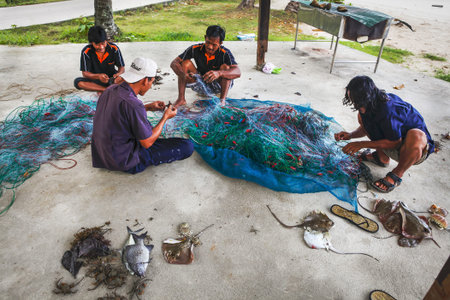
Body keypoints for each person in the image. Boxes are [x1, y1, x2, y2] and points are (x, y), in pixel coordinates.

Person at [91, 57, 194, 174]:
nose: (150, 85)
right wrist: (165, 117)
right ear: (145, 80)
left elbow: (121, 114)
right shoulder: (134, 104)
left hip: (102, 155)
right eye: (151, 81)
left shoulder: (110, 90)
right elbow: (147, 142)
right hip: (124, 160)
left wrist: (148, 107)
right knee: (187, 146)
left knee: (145, 130)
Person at [334, 75, 435, 193]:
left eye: (356, 100)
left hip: (411, 151)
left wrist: (361, 144)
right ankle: (381, 158)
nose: (354, 103)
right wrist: (350, 135)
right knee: (363, 118)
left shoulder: (388, 110)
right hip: (393, 141)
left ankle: (396, 175)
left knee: (416, 135)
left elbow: (394, 142)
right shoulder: (367, 105)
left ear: (365, 97)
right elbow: (365, 128)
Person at [170, 25, 241, 107]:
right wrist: (183, 75)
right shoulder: (194, 49)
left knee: (226, 68)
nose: (210, 47)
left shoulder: (225, 53)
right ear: (205, 37)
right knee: (185, 63)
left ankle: (222, 101)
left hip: (219, 86)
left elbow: (238, 72)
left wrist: (219, 73)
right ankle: (181, 99)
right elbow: (174, 63)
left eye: (214, 45)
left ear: (220, 43)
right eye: (208, 42)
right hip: (201, 82)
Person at [74, 26, 125, 94]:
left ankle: (107, 89)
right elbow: (85, 73)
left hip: (112, 79)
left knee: (127, 80)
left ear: (106, 40)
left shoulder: (114, 48)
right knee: (78, 82)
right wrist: (98, 76)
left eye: (103, 43)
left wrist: (119, 74)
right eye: (97, 45)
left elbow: (121, 67)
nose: (101, 47)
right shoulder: (86, 52)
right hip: (96, 80)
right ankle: (105, 89)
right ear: (91, 43)